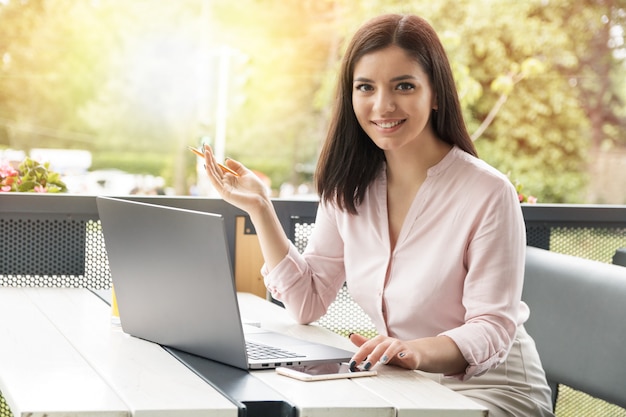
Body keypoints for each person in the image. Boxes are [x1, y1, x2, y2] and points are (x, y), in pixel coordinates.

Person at [202, 13, 554, 417]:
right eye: (365, 87)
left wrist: (412, 351)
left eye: (404, 86)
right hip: (408, 387)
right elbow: (307, 303)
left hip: (491, 391)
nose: (383, 105)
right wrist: (260, 208)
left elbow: (492, 327)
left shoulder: (488, 193)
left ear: (435, 93)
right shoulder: (348, 186)